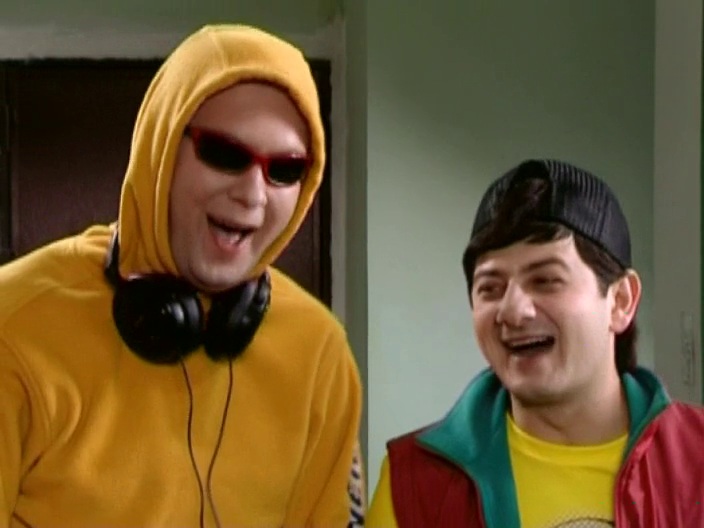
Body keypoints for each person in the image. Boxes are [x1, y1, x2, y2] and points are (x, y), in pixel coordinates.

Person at [0, 24, 364, 527]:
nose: (253, 195)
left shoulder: (320, 352)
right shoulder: (14, 323)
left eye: (284, 169)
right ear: (161, 147)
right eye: (225, 154)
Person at [367, 159, 704, 527]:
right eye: (490, 288)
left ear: (620, 301)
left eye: (545, 280)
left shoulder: (696, 462)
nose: (512, 311)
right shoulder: (414, 485)